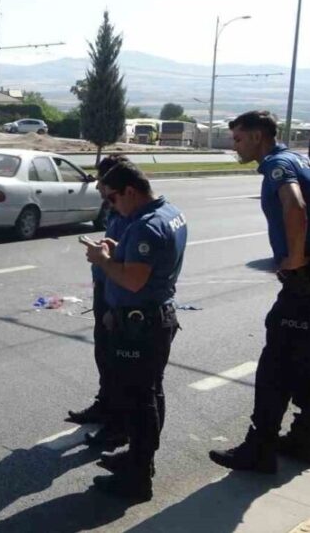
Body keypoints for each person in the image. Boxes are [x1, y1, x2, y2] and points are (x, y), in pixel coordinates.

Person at [211, 110, 310, 472]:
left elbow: (295, 206)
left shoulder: (277, 165)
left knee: (275, 368)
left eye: (238, 139)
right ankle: (303, 440)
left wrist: (295, 259)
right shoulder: (297, 158)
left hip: (304, 284)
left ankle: (260, 449)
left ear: (257, 136)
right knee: (304, 362)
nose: (234, 145)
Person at [83, 159, 187, 501]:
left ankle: (138, 476)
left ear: (131, 191)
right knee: (149, 393)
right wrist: (116, 254)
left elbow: (133, 279)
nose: (111, 207)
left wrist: (102, 260)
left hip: (141, 323)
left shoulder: (145, 226)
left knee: (138, 400)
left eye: (112, 199)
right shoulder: (168, 211)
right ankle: (140, 461)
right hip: (152, 316)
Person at [68, 155, 129, 450]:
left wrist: (113, 304)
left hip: (117, 293)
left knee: (117, 360)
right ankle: (104, 405)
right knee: (104, 354)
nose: (99, 188)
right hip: (105, 286)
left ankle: (119, 423)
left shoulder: (130, 211)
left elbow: (128, 264)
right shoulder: (116, 209)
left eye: (103, 182)